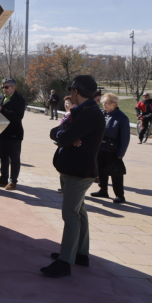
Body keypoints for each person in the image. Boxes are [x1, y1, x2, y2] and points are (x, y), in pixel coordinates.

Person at [41, 75, 105, 278]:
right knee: (79, 211)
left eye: (72, 91)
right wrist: (64, 135)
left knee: (70, 215)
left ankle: (65, 261)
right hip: (74, 170)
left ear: (76, 92)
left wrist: (65, 136)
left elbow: (64, 136)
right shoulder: (82, 111)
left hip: (78, 172)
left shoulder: (89, 113)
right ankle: (80, 254)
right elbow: (58, 132)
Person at [91, 92, 130, 204]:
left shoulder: (122, 118)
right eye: (103, 102)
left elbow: (125, 138)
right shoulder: (103, 114)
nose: (104, 104)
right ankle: (103, 190)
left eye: (106, 102)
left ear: (114, 104)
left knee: (116, 173)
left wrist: (121, 153)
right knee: (101, 171)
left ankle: (120, 195)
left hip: (113, 151)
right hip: (101, 148)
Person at [0, 78, 25, 191]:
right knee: (3, 157)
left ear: (13, 87)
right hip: (2, 132)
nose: (4, 89)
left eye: (6, 87)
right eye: (3, 87)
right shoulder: (1, 97)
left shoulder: (19, 99)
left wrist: (1, 111)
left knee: (14, 158)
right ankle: (3, 178)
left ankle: (13, 181)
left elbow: (18, 116)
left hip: (14, 133)